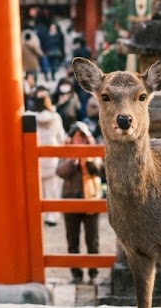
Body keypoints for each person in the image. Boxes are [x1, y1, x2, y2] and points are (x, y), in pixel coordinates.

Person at [56, 122, 102, 284]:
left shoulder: (94, 151)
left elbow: (99, 170)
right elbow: (60, 171)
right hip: (70, 197)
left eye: (82, 138)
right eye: (76, 138)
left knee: (92, 239)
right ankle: (76, 274)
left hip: (91, 198)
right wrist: (73, 161)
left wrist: (87, 160)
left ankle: (93, 273)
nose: (79, 141)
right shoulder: (65, 151)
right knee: (72, 239)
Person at [34, 87, 66, 226]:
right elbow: (61, 137)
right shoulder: (55, 117)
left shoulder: (31, 118)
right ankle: (52, 216)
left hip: (36, 158)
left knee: (37, 190)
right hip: (52, 156)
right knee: (52, 189)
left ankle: (37, 214)